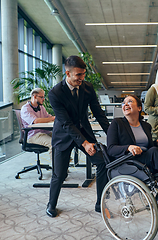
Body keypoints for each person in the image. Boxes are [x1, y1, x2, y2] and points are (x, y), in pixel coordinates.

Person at [46, 55, 110, 217]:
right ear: (67, 73)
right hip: (64, 136)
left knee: (102, 162)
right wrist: (84, 143)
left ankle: (99, 203)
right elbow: (66, 123)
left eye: (83, 74)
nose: (82, 78)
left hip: (84, 132)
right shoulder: (55, 93)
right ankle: (51, 205)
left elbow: (99, 113)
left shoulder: (87, 88)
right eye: (78, 75)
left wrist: (111, 134)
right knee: (59, 174)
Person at [20, 88, 55, 160]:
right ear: (35, 96)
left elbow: (48, 117)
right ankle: (57, 170)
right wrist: (51, 119)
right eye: (41, 97)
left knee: (62, 139)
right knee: (53, 144)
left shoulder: (41, 107)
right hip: (34, 135)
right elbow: (36, 121)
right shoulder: (25, 109)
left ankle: (64, 164)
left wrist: (55, 118)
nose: (43, 99)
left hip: (45, 132)